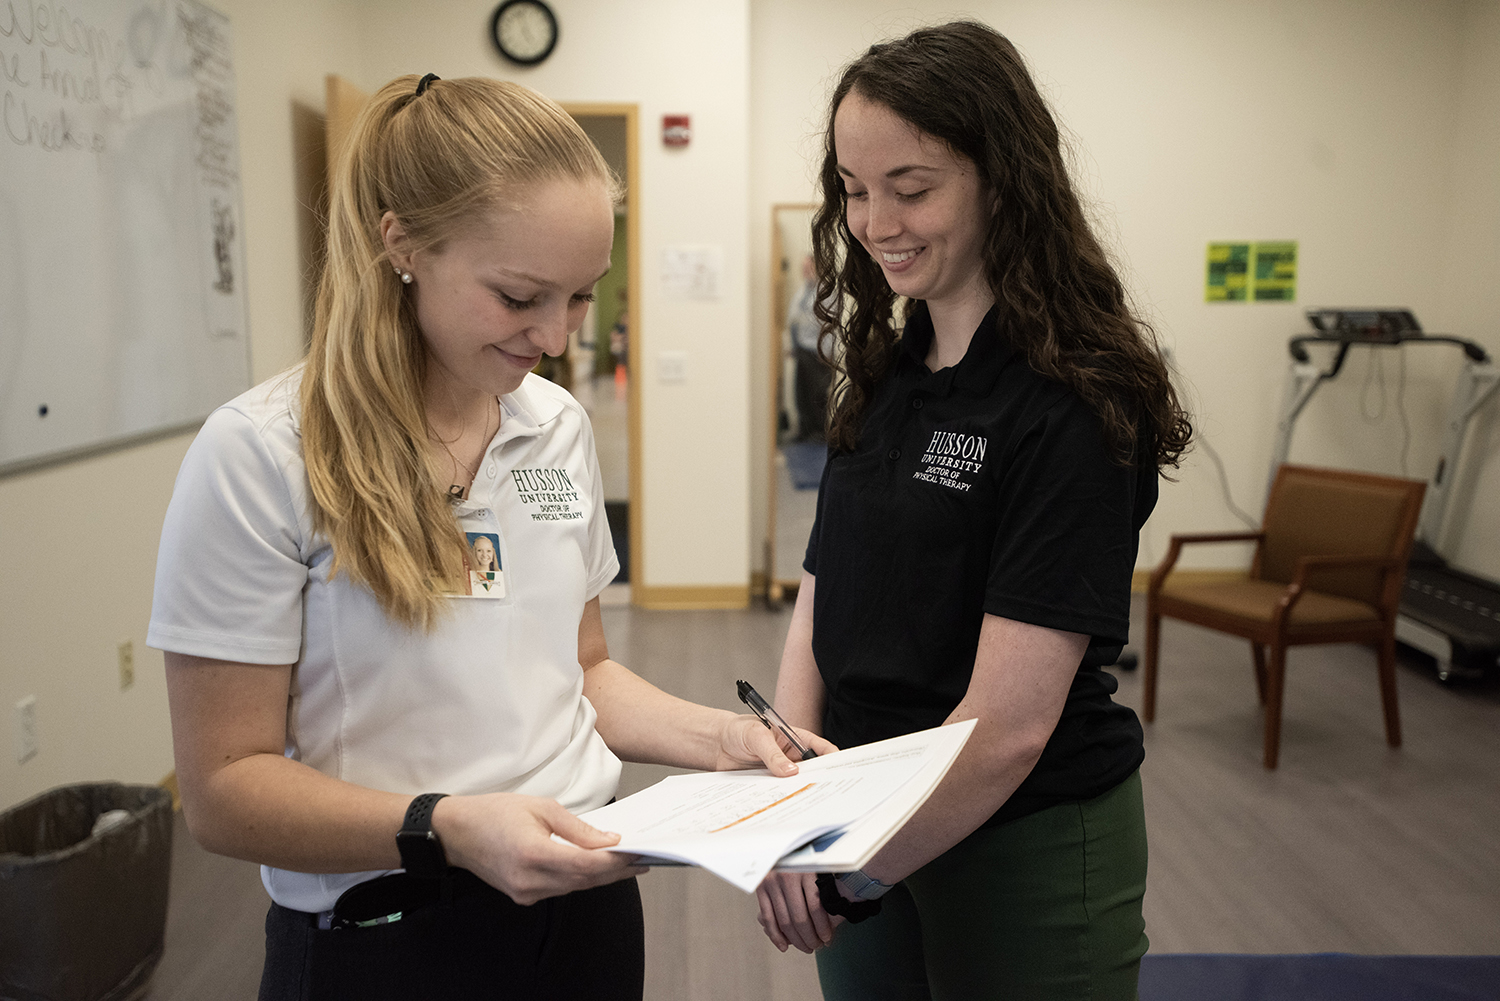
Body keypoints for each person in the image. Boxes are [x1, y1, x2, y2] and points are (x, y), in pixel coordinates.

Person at [147, 74, 830, 1000]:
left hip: (584, 909)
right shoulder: (263, 453)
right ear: (403, 245)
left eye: (581, 297)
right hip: (389, 933)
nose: (553, 335)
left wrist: (723, 738)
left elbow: (582, 668)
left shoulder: (553, 426)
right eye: (519, 297)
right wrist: (447, 826)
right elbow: (225, 789)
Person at [752, 22, 1192, 1001]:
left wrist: (845, 865)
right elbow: (822, 592)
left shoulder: (1072, 402)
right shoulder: (887, 372)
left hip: (1018, 833)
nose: (875, 222)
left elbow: (1007, 729)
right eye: (855, 191)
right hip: (857, 813)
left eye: (911, 188)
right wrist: (795, 782)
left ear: (1005, 179)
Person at [786, 254, 832, 441]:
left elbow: (831, 325)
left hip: (817, 351)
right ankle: (804, 430)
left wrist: (827, 352)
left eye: (808, 267)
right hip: (801, 349)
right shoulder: (803, 290)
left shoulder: (827, 292)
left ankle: (820, 432)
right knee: (801, 392)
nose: (805, 271)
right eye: (803, 267)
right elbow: (795, 317)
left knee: (818, 392)